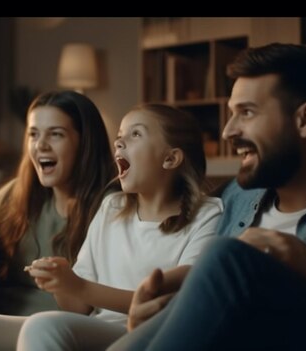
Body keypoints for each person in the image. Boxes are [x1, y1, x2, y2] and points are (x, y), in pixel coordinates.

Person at [109, 43, 306, 351]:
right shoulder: (235, 199)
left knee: (224, 255)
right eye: (232, 114)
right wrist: (159, 311)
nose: (228, 131)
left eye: (246, 112)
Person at [17, 104, 223, 350]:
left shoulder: (208, 214)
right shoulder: (111, 207)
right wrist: (61, 283)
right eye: (119, 137)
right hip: (96, 329)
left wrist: (79, 286)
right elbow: (79, 307)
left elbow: (174, 305)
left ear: (171, 158)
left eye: (135, 134)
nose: (118, 143)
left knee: (43, 326)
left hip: (152, 333)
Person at [0, 90, 117, 350]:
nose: (41, 145)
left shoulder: (112, 205)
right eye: (33, 134)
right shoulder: (20, 193)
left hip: (57, 329)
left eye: (56, 134)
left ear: (84, 142)